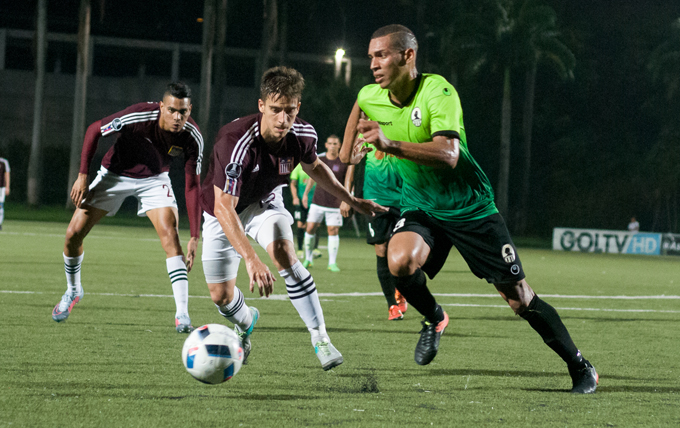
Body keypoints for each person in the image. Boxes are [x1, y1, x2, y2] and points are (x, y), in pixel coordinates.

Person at [346, 25, 598, 393]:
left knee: (519, 299)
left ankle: (581, 367)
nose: (373, 64)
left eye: (381, 54)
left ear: (408, 56)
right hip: (423, 205)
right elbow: (348, 142)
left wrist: (390, 144)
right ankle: (435, 319)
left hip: (469, 207)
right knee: (397, 260)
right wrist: (350, 152)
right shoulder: (371, 95)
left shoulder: (438, 91)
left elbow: (449, 155)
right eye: (370, 56)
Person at [199, 66, 386, 369]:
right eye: (275, 110)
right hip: (222, 210)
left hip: (265, 202)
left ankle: (320, 337)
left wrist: (350, 199)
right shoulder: (235, 143)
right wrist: (250, 257)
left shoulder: (302, 134)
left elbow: (316, 168)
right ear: (261, 106)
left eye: (289, 110)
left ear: (298, 107)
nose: (283, 120)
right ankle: (246, 322)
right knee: (221, 296)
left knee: (284, 253)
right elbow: (224, 207)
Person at [52, 82, 203, 334]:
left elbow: (193, 186)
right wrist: (82, 175)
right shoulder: (138, 116)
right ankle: (74, 290)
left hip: (155, 180)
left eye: (184, 112)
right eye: (173, 110)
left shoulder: (192, 136)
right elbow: (94, 130)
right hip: (115, 174)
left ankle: (183, 315)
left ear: (190, 110)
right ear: (161, 107)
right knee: (72, 236)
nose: (178, 117)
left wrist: (196, 236)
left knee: (171, 237)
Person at [340, 120, 407, 320]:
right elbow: (352, 164)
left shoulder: (402, 130)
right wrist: (346, 196)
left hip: (402, 199)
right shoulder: (366, 135)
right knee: (381, 249)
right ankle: (391, 305)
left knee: (402, 252)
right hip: (374, 199)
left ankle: (402, 289)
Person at [301, 135, 352, 272]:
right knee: (310, 228)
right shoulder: (320, 159)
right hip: (318, 201)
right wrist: (306, 194)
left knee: (333, 231)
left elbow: (349, 182)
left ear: (339, 145)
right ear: (326, 145)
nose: (333, 146)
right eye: (330, 143)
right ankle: (308, 259)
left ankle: (332, 263)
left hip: (335, 203)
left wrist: (347, 199)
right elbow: (312, 178)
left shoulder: (343, 161)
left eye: (335, 143)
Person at [289, 163, 321, 259]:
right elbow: (293, 184)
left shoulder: (316, 165)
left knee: (316, 224)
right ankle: (299, 249)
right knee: (300, 225)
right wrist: (295, 197)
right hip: (301, 200)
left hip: (315, 200)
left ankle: (315, 248)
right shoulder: (298, 167)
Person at [0, 156, 9, 231]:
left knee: (0, 205)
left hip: (1, 188)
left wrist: (7, 187)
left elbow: (7, 174)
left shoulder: (3, 162)